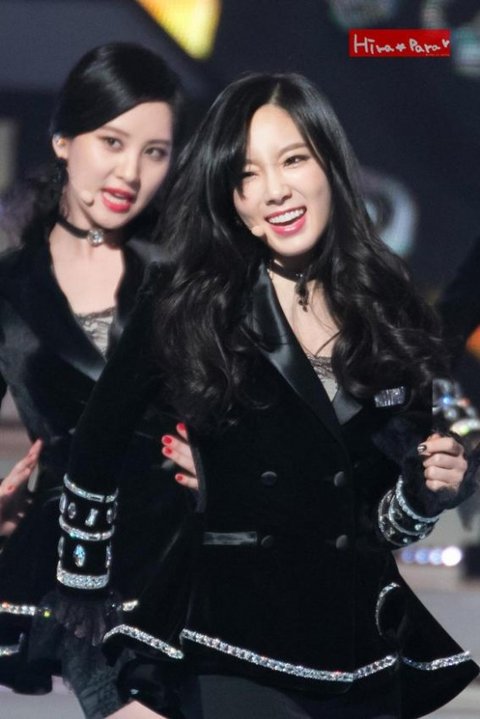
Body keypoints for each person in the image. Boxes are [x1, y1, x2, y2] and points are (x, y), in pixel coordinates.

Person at [52, 73, 479, 719]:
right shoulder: (190, 300)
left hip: (361, 645)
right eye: (246, 175)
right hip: (233, 636)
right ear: (231, 198)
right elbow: (97, 443)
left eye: (293, 160)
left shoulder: (385, 303)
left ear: (331, 164)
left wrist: (426, 492)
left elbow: (382, 524)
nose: (274, 190)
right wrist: (82, 590)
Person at [0, 42, 192, 718]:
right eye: (112, 141)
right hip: (76, 560)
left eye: (154, 151)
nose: (130, 172)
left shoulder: (189, 277)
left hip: (189, 551)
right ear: (62, 139)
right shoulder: (9, 287)